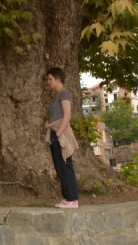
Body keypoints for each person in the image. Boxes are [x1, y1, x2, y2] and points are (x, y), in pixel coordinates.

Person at [44, 66, 80, 208]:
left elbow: (67, 116)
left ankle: (72, 199)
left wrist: (58, 134)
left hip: (60, 133)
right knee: (59, 166)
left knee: (65, 165)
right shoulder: (57, 95)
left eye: (50, 79)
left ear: (58, 79)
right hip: (54, 132)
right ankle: (67, 197)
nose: (48, 82)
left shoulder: (64, 94)